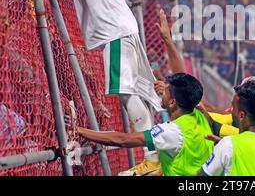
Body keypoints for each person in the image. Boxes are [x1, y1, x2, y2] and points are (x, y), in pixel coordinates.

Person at [19, 0, 163, 176]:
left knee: (126, 94)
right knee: (133, 95)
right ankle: (155, 156)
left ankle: (153, 161)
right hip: (117, 30)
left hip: (115, 30)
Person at [78, 73, 214, 176]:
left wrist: (81, 131)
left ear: (173, 102)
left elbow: (123, 140)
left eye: (165, 91)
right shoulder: (200, 115)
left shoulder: (171, 132)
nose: (161, 92)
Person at [198, 81, 255, 176]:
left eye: (233, 107)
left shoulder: (228, 145)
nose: (230, 111)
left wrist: (222, 150)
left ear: (241, 115)